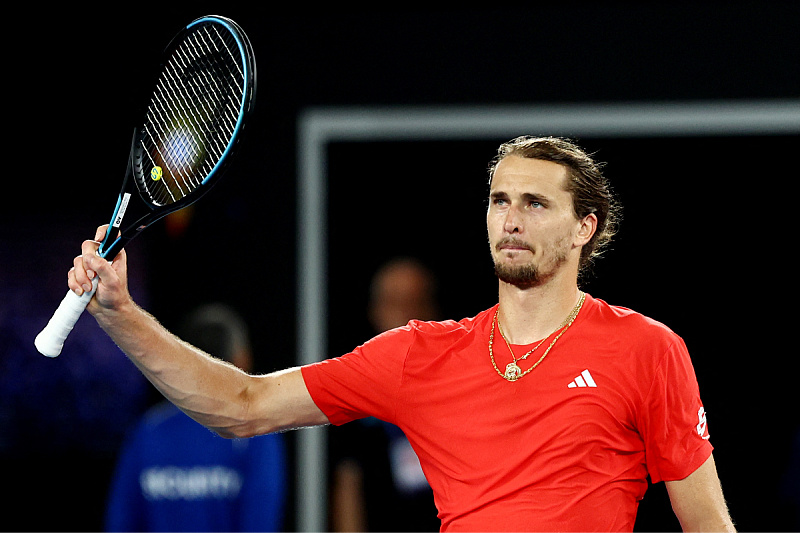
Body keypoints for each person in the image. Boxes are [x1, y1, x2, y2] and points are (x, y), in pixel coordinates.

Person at [68, 135, 735, 532]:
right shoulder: (421, 354)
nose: (510, 218)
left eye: (535, 203)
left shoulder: (648, 349)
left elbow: (706, 522)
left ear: (583, 227)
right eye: (500, 199)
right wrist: (122, 312)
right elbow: (241, 404)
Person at [104, 303, 287, 532]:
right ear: (242, 360)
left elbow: (120, 523)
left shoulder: (147, 432)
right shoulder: (256, 433)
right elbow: (259, 525)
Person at [330, 258, 440, 531]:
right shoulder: (353, 394)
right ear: (375, 312)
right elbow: (348, 483)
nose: (407, 314)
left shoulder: (461, 388)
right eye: (395, 302)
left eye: (415, 301)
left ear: (433, 311)